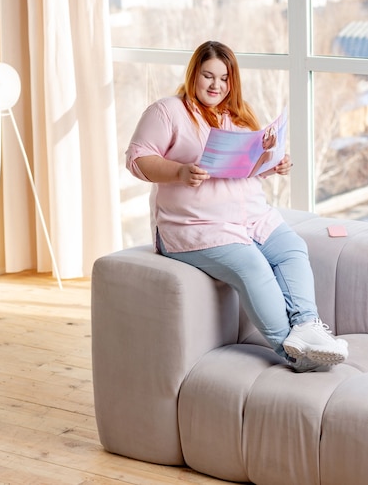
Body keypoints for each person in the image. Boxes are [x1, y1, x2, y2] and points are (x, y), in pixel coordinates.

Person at [126, 40, 348, 373]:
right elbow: (137, 158)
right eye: (208, 76)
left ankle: (307, 327)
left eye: (224, 78)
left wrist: (270, 163)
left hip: (253, 219)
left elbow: (242, 166)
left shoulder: (237, 115)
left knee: (292, 248)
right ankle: (297, 356)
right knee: (253, 268)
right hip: (195, 227)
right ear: (193, 75)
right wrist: (179, 171)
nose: (216, 85)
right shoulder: (168, 111)